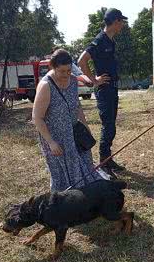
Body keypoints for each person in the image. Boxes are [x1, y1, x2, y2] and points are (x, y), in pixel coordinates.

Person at [32, 49, 103, 191]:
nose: (66, 75)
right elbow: (37, 117)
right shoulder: (46, 85)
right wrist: (51, 142)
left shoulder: (73, 81)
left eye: (69, 71)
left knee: (84, 164)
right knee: (63, 173)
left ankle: (86, 196)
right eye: (62, 71)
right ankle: (66, 202)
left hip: (74, 132)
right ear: (53, 67)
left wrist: (85, 124)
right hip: (55, 137)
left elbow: (76, 105)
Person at [78, 8, 128, 176]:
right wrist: (94, 80)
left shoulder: (110, 40)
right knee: (108, 126)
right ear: (115, 22)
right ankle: (103, 163)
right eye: (121, 21)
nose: (123, 25)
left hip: (112, 88)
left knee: (111, 126)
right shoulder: (100, 40)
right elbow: (82, 61)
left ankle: (108, 159)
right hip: (104, 90)